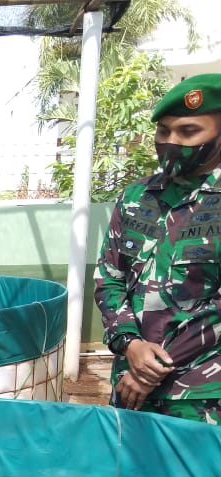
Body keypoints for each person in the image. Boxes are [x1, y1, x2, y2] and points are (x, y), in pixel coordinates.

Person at [95, 73, 221, 423]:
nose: (172, 141)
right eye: (164, 131)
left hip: (201, 395)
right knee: (126, 476)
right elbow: (109, 278)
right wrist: (131, 345)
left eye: (189, 131)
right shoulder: (136, 198)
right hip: (129, 385)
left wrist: (151, 370)